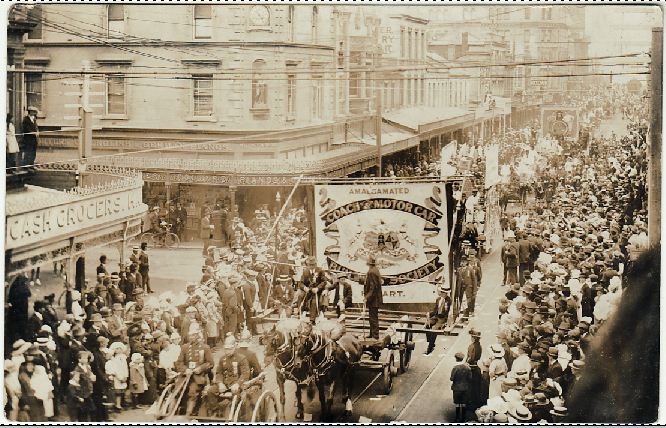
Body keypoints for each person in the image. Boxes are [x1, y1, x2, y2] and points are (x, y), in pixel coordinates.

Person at [206, 334, 250, 417]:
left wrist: (237, 384)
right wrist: (220, 383)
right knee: (210, 391)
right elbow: (219, 373)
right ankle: (216, 411)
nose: (228, 351)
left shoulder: (241, 358)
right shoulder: (222, 359)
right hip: (225, 384)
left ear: (234, 347)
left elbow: (245, 374)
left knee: (236, 395)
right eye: (226, 349)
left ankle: (234, 415)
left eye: (230, 349)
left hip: (237, 385)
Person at [175, 323, 214, 415]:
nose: (191, 337)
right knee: (177, 389)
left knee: (193, 392)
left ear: (197, 335)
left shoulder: (205, 348)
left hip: (198, 376)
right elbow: (179, 362)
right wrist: (185, 369)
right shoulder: (184, 347)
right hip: (185, 375)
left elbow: (210, 363)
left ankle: (189, 413)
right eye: (190, 335)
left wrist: (200, 368)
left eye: (193, 335)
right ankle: (174, 410)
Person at [425, 282, 451, 355]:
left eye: (443, 292)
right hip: (436, 317)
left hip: (442, 318)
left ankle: (429, 349)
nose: (442, 294)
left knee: (434, 330)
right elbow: (435, 310)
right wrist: (429, 314)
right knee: (427, 325)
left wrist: (440, 317)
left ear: (446, 293)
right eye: (442, 292)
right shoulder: (438, 299)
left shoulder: (448, 301)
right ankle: (431, 342)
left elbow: (446, 312)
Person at [363, 255, 383, 339]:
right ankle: (372, 334)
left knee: (373, 318)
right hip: (375, 299)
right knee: (372, 318)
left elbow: (373, 287)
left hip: (374, 300)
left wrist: (366, 297)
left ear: (369, 263)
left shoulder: (371, 272)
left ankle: (375, 336)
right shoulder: (374, 270)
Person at [301, 256, 326, 322]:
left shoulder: (320, 270)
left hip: (317, 291)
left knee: (314, 302)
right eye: (310, 265)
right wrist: (304, 287)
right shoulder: (305, 271)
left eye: (313, 265)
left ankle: (312, 320)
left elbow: (324, 281)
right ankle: (301, 313)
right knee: (300, 296)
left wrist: (318, 288)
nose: (311, 266)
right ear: (308, 265)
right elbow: (300, 283)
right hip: (308, 290)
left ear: (315, 264)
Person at [450, 352, 472, 423]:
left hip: (456, 388)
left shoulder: (455, 368)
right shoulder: (467, 367)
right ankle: (463, 418)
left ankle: (457, 418)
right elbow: (470, 378)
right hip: (465, 387)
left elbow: (452, 378)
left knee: (457, 403)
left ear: (456, 359)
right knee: (463, 403)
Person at [466, 328, 483, 412]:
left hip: (472, 367)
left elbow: (470, 358)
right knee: (476, 387)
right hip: (476, 366)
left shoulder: (472, 346)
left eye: (472, 336)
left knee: (471, 387)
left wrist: (466, 363)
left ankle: (471, 404)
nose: (471, 338)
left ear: (474, 338)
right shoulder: (479, 346)